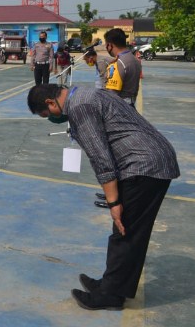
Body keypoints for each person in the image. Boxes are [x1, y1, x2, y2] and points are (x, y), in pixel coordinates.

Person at [26, 84, 179, 311]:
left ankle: (111, 295)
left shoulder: (80, 107)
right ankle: (111, 284)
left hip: (143, 165)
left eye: (47, 114)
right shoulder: (85, 93)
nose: (51, 118)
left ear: (50, 102)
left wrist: (114, 202)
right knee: (126, 232)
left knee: (126, 231)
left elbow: (101, 159)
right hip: (150, 159)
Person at [103, 28, 142, 107]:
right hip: (131, 105)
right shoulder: (135, 59)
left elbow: (111, 94)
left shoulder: (117, 63)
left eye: (106, 45)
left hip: (120, 108)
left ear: (110, 45)